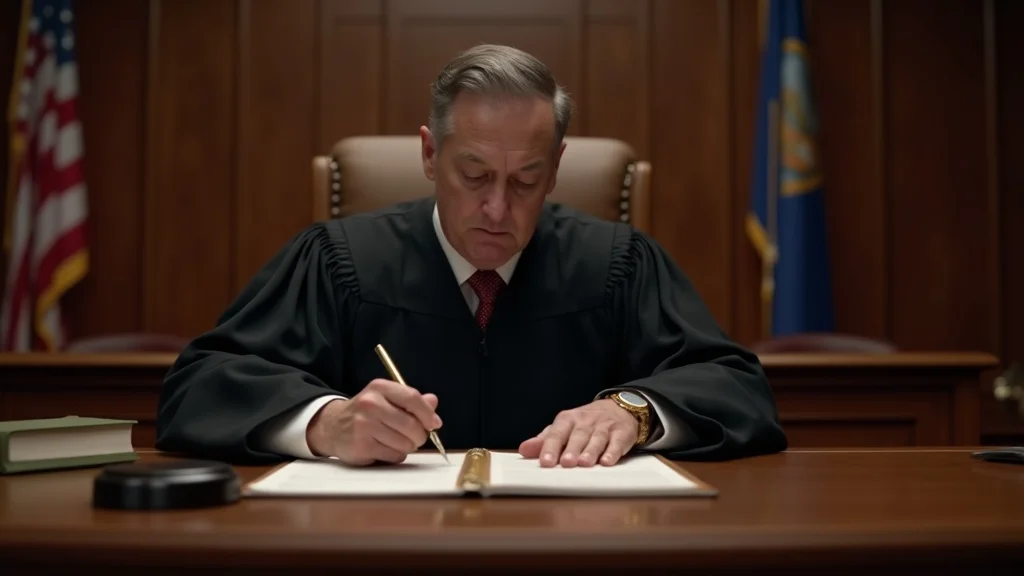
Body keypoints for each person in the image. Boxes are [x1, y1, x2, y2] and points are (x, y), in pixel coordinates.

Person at [155, 44, 787, 468]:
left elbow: (737, 387)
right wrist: (325, 423)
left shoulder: (618, 265)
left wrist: (634, 412)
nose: (496, 210)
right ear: (430, 155)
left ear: (557, 169)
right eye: (474, 175)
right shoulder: (338, 261)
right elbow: (198, 387)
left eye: (525, 181)